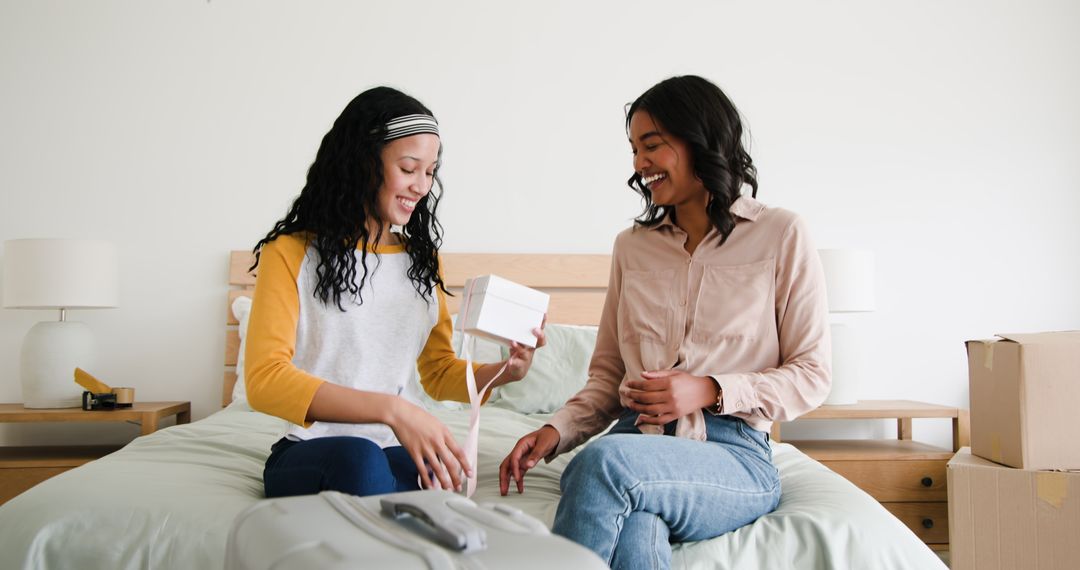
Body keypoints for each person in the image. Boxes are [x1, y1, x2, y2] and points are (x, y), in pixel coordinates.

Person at [499, 75, 831, 569]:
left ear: (701, 140)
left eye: (651, 145)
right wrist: (555, 431)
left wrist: (710, 388)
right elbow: (608, 379)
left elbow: (813, 375)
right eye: (634, 150)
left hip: (731, 454)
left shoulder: (781, 234)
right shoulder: (631, 247)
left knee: (603, 465)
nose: (638, 164)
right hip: (636, 442)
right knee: (633, 520)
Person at [245, 86, 544, 498]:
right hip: (310, 449)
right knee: (362, 462)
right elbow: (265, 381)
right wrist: (393, 410)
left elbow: (438, 374)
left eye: (430, 171)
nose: (422, 186)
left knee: (443, 478)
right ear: (363, 163)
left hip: (390, 448)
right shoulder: (291, 253)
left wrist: (506, 371)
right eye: (409, 168)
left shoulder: (421, 263)